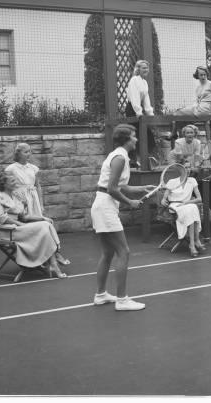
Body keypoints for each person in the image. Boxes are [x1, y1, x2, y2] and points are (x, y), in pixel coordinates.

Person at [91, 124, 155, 311]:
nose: (136, 139)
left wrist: (141, 189)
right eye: (134, 136)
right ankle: (122, 300)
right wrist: (130, 202)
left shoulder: (119, 156)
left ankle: (101, 295)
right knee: (123, 252)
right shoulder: (120, 158)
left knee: (108, 253)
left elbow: (120, 185)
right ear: (126, 139)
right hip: (105, 207)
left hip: (102, 205)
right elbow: (112, 189)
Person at [6, 143, 70, 266]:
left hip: (33, 198)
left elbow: (38, 186)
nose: (29, 154)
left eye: (30, 151)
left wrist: (41, 204)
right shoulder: (11, 169)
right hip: (21, 200)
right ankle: (39, 257)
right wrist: (15, 200)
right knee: (32, 227)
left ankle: (55, 253)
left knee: (43, 225)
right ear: (18, 153)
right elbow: (7, 187)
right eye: (26, 152)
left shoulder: (33, 168)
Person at [0, 172, 66, 278]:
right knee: (44, 227)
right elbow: (1, 218)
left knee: (46, 223)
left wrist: (42, 218)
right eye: (12, 181)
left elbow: (24, 217)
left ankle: (54, 262)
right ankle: (55, 257)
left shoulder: (15, 196)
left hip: (19, 228)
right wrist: (20, 224)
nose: (15, 183)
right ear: (4, 184)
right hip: (8, 231)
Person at [160, 171, 204, 257]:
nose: (188, 170)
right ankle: (195, 241)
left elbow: (199, 199)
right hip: (174, 207)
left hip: (187, 204)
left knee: (192, 208)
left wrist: (186, 202)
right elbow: (164, 198)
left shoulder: (192, 181)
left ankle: (193, 243)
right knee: (192, 209)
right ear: (180, 170)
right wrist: (163, 200)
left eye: (189, 168)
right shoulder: (172, 181)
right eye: (185, 167)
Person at [125, 59, 156, 168]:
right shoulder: (134, 80)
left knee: (148, 135)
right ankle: (133, 161)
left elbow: (146, 99)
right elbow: (134, 98)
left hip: (139, 109)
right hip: (132, 109)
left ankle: (144, 160)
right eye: (143, 68)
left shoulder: (144, 82)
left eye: (147, 68)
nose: (146, 70)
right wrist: (138, 112)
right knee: (134, 135)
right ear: (138, 69)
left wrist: (150, 114)